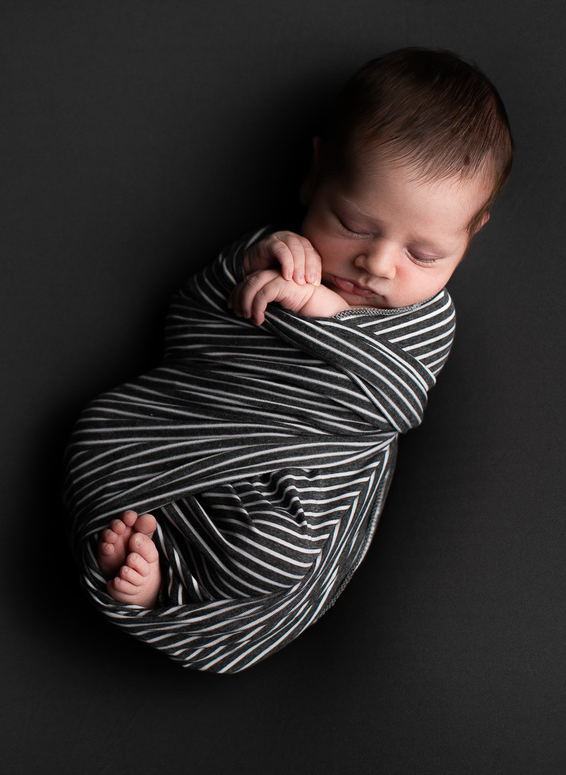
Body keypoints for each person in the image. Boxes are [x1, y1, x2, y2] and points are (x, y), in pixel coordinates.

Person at [65, 48, 513, 672]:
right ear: (315, 174)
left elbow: (395, 401)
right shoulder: (277, 256)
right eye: (354, 224)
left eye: (425, 254)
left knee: (274, 552)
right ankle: (145, 546)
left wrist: (322, 314)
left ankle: (170, 584)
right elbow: (189, 325)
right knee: (95, 429)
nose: (378, 265)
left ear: (473, 232)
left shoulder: (426, 320)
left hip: (291, 488)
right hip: (195, 428)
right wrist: (249, 262)